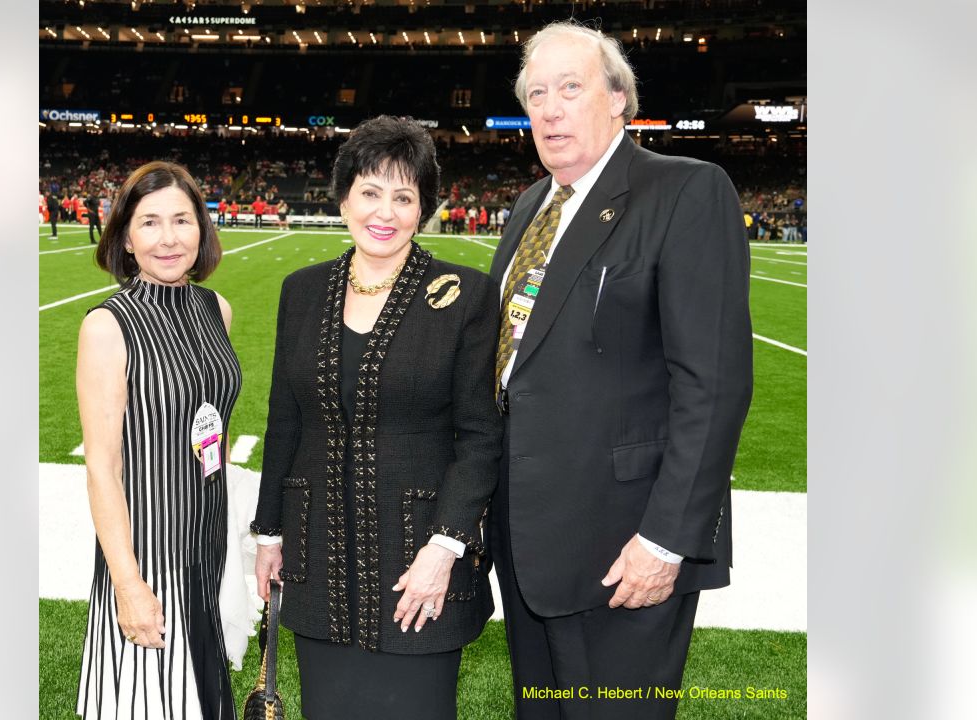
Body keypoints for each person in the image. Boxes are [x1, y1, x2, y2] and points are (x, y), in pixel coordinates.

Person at [490, 21, 752, 719]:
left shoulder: (685, 192)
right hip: (527, 542)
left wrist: (666, 540)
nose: (549, 109)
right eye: (536, 94)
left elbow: (714, 381)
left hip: (624, 547)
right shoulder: (528, 209)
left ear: (617, 99)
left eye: (570, 89)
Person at [251, 115, 501, 720]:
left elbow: (481, 435)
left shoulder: (463, 292)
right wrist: (269, 533)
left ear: (423, 209)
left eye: (403, 196)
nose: (383, 211)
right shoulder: (302, 290)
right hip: (318, 557)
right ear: (343, 199)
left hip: (419, 561)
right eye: (369, 191)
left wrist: (444, 549)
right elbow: (286, 417)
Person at [76, 161, 241, 720]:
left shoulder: (216, 310)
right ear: (125, 235)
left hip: (208, 546)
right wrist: (127, 584)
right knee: (156, 703)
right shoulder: (108, 325)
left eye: (181, 220)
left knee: (208, 700)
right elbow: (102, 464)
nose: (168, 238)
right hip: (149, 553)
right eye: (149, 223)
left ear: (203, 228)